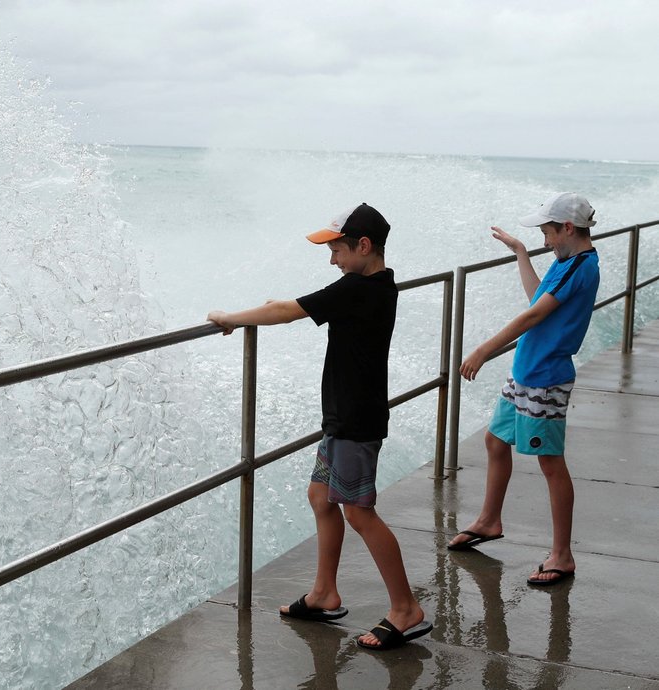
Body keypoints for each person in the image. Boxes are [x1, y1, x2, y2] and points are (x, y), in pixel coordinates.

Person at [207, 202, 431, 651]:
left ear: (363, 246)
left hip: (354, 421)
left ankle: (405, 608)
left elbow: (290, 311)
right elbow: (295, 305)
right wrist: (272, 306)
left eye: (337, 251)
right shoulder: (375, 285)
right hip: (345, 418)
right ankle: (324, 592)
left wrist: (232, 317)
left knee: (359, 512)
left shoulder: (358, 289)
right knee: (320, 496)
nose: (333, 260)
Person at [447, 192, 600, 587]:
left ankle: (562, 556)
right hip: (526, 372)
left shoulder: (579, 267)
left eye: (548, 232)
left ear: (568, 228)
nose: (545, 241)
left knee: (551, 463)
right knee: (496, 441)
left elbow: (533, 314)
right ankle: (490, 520)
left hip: (546, 377)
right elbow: (538, 298)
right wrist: (520, 252)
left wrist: (483, 350)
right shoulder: (566, 262)